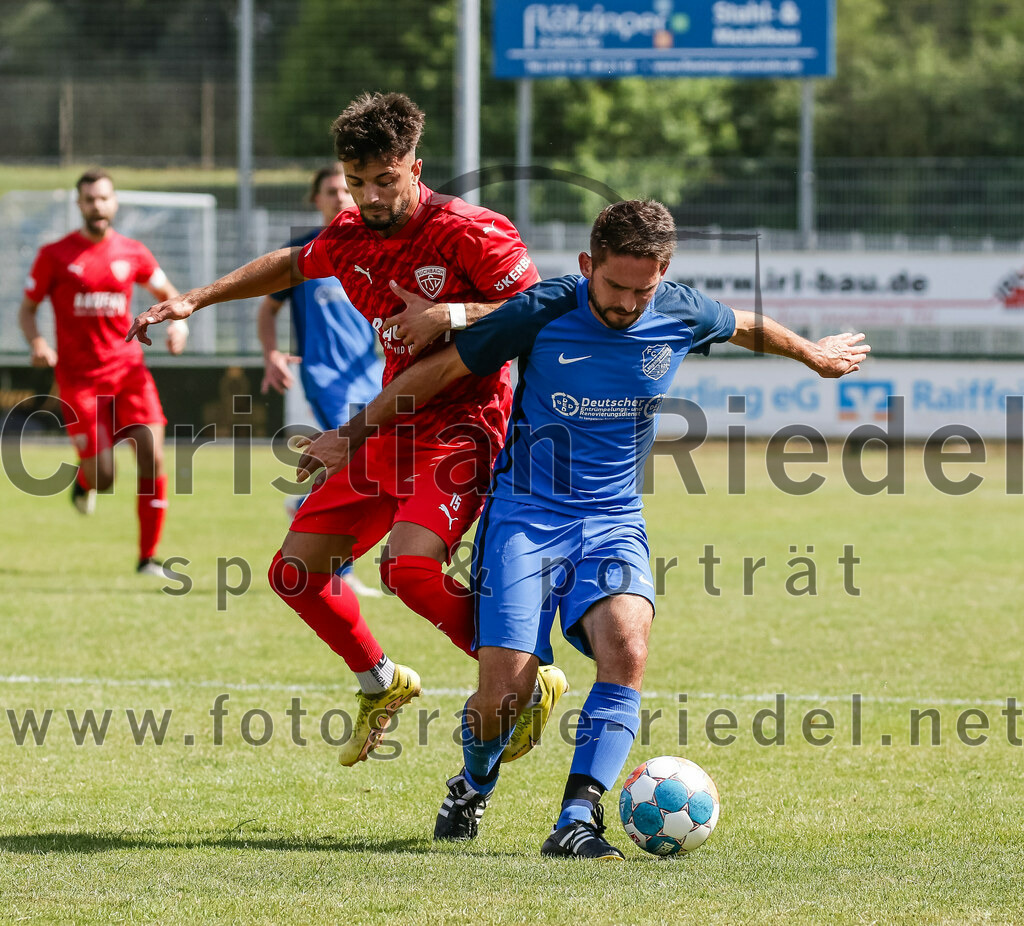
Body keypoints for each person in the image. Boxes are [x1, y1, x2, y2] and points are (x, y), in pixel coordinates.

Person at [296, 199, 871, 857]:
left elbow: (746, 325)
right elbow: (443, 370)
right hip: (525, 515)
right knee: (503, 690)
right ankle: (474, 781)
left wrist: (813, 355)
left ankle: (575, 820)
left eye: (642, 290)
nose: (627, 303)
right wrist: (351, 433)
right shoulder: (541, 309)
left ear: (663, 277)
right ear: (585, 266)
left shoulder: (680, 310)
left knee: (626, 649)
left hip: (613, 517)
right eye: (614, 286)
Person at [126, 92, 567, 767]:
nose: (369, 196)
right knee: (296, 574)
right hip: (393, 424)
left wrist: (448, 315)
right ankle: (382, 682)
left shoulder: (472, 230)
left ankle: (525, 677)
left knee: (409, 569)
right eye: (356, 182)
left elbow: (536, 312)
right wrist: (196, 297)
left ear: (416, 167)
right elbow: (291, 262)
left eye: (384, 180)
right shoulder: (350, 236)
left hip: (467, 424)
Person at [18, 168, 188, 576]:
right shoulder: (55, 255)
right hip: (79, 381)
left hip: (130, 374)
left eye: (103, 198)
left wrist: (179, 323)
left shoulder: (133, 252)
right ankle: (85, 482)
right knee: (105, 476)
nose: (97, 206)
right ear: (79, 204)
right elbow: (27, 308)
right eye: (90, 199)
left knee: (152, 456)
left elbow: (168, 295)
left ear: (114, 203)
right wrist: (38, 343)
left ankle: (148, 558)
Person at [257, 164, 385, 598]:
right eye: (331, 191)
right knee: (351, 458)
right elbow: (267, 309)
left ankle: (304, 504)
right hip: (325, 375)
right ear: (316, 199)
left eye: (345, 190)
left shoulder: (375, 246)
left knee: (378, 460)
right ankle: (339, 571)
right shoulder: (300, 250)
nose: (340, 198)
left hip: (370, 373)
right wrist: (272, 354)